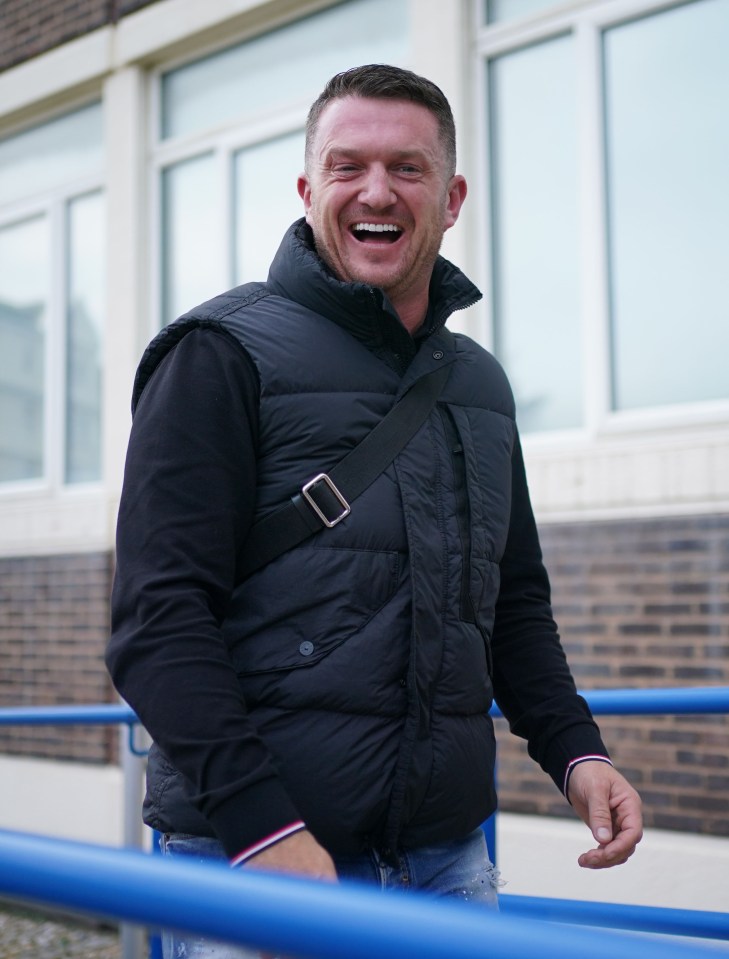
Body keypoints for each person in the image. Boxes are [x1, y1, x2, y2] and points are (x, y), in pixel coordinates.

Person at [106, 64, 642, 957]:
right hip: (259, 861)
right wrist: (262, 827)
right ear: (309, 187)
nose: (376, 191)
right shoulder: (216, 356)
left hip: (445, 863)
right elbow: (156, 622)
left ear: (452, 194)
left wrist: (577, 753)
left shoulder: (478, 384)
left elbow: (510, 603)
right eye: (348, 166)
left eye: (407, 166)